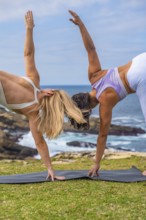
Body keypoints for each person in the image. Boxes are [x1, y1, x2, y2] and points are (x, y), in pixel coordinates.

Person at [0, 11, 86, 181]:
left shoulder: (34, 82)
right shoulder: (33, 113)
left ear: (51, 93)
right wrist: (50, 169)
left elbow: (28, 54)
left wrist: (29, 29)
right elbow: (39, 143)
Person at [68, 10, 146, 176]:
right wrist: (81, 25)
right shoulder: (94, 76)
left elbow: (103, 135)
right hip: (140, 60)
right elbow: (90, 49)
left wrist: (96, 163)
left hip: (140, 78)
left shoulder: (105, 102)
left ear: (87, 110)